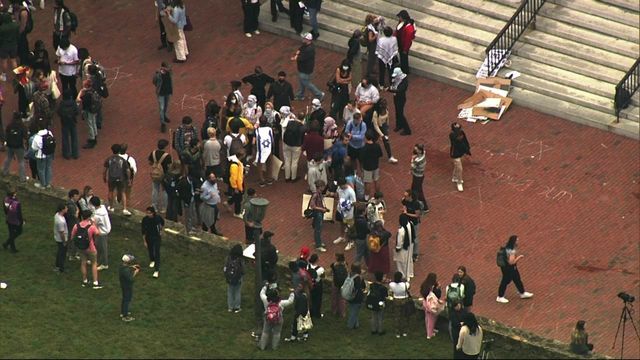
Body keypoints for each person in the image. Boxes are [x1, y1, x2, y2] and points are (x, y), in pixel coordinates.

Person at [496, 235, 533, 303]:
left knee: (517, 279)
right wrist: (519, 257)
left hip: (505, 268)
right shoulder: (512, 251)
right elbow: (511, 262)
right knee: (505, 281)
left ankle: (522, 292)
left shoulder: (506, 248)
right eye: (517, 240)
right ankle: (500, 296)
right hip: (509, 268)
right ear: (514, 242)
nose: (518, 242)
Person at [72, 209, 103, 289]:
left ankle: (84, 280)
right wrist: (94, 225)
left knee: (83, 262)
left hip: (81, 248)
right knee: (94, 263)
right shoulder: (91, 227)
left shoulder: (76, 226)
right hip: (91, 248)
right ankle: (95, 282)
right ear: (89, 217)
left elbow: (72, 236)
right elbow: (98, 233)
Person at [258, 284, 295, 350]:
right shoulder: (280, 303)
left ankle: (262, 346)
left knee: (265, 332)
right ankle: (274, 347)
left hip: (267, 318)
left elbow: (261, 293)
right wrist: (292, 293)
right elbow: (290, 301)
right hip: (278, 319)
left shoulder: (265, 300)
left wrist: (265, 286)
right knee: (277, 333)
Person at [292, 33, 324, 101]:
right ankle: (300, 95)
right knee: (302, 82)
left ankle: (319, 94)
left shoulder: (309, 49)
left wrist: (296, 57)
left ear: (308, 40)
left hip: (305, 70)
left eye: (304, 38)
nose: (303, 39)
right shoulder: (306, 45)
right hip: (302, 68)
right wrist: (298, 52)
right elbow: (301, 48)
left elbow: (301, 58)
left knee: (306, 83)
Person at [149, 139, 173, 213]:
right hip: (164, 175)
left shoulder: (153, 153)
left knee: (155, 190)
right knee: (164, 191)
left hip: (155, 174)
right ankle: (164, 208)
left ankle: (154, 206)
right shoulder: (167, 156)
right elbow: (169, 167)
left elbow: (150, 162)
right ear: (165, 146)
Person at [371, 99, 398, 164]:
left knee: (386, 141)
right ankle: (371, 155)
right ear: (380, 105)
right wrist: (381, 135)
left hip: (383, 126)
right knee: (373, 141)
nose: (385, 106)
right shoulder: (375, 113)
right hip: (376, 127)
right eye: (384, 105)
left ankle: (390, 157)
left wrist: (387, 129)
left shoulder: (386, 110)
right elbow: (375, 125)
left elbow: (387, 119)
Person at [3, 112, 27, 181]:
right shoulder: (22, 126)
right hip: (19, 146)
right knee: (21, 161)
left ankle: (5, 172)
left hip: (9, 145)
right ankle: (22, 178)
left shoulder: (10, 125)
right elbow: (25, 136)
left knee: (8, 158)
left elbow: (6, 134)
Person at [141, 206, 164, 279]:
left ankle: (156, 270)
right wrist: (144, 241)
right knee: (150, 249)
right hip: (149, 237)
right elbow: (143, 231)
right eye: (147, 213)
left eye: (149, 213)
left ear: (153, 213)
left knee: (157, 252)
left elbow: (162, 223)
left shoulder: (157, 218)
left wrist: (161, 231)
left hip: (156, 237)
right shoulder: (145, 219)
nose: (148, 214)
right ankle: (152, 260)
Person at [90, 196, 111, 271]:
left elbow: (93, 224)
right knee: (97, 246)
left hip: (101, 232)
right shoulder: (103, 207)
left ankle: (105, 264)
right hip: (105, 230)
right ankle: (97, 260)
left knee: (102, 248)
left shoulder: (97, 216)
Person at [282, 112, 304, 182]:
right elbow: (302, 137)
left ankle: (287, 177)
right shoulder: (302, 126)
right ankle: (293, 178)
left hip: (287, 144)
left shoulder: (290, 123)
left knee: (287, 160)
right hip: (296, 146)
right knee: (294, 162)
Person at [360, 131, 383, 200]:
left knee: (367, 182)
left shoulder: (364, 148)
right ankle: (378, 194)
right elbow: (380, 155)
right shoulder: (377, 146)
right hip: (375, 166)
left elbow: (361, 159)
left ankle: (366, 197)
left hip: (367, 167)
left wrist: (361, 168)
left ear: (366, 138)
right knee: (376, 180)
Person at [77, 79, 99, 149]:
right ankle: (95, 135)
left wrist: (81, 92)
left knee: (90, 124)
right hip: (94, 109)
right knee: (93, 122)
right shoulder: (93, 91)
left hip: (89, 110)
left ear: (86, 86)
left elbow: (78, 99)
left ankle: (92, 139)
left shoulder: (87, 95)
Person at [31, 121, 54, 188]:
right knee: (48, 167)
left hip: (40, 156)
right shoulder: (49, 133)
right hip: (49, 154)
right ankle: (48, 183)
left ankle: (43, 184)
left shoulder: (37, 137)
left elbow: (34, 148)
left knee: (41, 169)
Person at [388, 67, 410, 135]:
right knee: (397, 112)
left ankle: (407, 130)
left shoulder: (404, 81)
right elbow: (393, 83)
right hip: (396, 97)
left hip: (401, 98)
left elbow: (400, 90)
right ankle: (399, 125)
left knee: (400, 113)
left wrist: (390, 90)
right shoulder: (396, 79)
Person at [57, 89, 79, 159]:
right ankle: (75, 153)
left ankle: (66, 154)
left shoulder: (62, 103)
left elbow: (59, 112)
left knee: (65, 138)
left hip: (64, 122)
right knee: (74, 137)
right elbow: (77, 111)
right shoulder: (73, 103)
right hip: (72, 121)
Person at [421, 272, 444, 340]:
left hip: (426, 302)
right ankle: (429, 334)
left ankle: (431, 329)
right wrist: (438, 288)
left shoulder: (424, 284)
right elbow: (437, 295)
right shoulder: (432, 287)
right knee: (431, 319)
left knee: (427, 317)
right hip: (431, 304)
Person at [449, 122, 471, 192]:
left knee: (457, 166)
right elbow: (458, 142)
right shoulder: (452, 135)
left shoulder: (462, 133)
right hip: (455, 153)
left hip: (461, 151)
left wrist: (467, 148)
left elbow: (465, 140)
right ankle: (459, 182)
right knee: (459, 168)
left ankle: (454, 177)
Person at [199, 171, 222, 236]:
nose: (214, 178)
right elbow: (202, 197)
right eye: (212, 178)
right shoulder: (204, 187)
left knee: (214, 218)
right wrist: (210, 196)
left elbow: (215, 190)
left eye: (214, 177)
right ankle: (204, 232)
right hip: (208, 206)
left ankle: (213, 229)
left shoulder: (214, 183)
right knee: (207, 220)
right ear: (208, 179)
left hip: (214, 205)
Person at [119, 254, 141, 322]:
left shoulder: (122, 267)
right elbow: (131, 279)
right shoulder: (126, 271)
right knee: (127, 300)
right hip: (127, 286)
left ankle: (123, 312)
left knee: (124, 299)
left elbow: (126, 268)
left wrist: (132, 267)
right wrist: (135, 272)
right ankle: (125, 316)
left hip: (123, 285)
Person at [309, 179, 329, 252]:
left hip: (320, 213)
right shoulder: (315, 195)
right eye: (323, 186)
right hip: (318, 214)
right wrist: (321, 209)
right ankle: (318, 245)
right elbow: (313, 206)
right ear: (320, 187)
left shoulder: (319, 193)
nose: (324, 188)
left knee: (319, 229)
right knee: (318, 229)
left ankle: (318, 242)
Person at [402, 189, 421, 262]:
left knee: (415, 238)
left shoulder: (416, 204)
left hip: (414, 222)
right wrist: (404, 209)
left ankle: (415, 254)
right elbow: (403, 205)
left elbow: (417, 215)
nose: (404, 197)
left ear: (410, 196)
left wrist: (407, 214)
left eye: (406, 196)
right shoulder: (404, 200)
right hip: (407, 221)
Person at [389, 271, 410, 338]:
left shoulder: (391, 284)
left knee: (397, 317)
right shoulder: (405, 285)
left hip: (396, 300)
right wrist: (405, 280)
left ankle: (397, 332)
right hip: (404, 300)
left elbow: (391, 290)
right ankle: (404, 332)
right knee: (404, 316)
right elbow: (409, 286)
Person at [224, 244, 245, 313]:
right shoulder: (240, 259)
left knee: (230, 292)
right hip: (238, 278)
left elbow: (225, 267)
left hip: (229, 277)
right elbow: (243, 270)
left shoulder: (228, 258)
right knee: (237, 292)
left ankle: (230, 307)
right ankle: (237, 307)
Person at [394, 213, 415, 280]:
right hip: (410, 245)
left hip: (403, 248)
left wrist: (397, 248)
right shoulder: (410, 223)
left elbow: (399, 242)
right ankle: (410, 273)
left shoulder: (401, 230)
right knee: (409, 260)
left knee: (401, 262)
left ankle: (403, 275)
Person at [330, 59, 352, 124]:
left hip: (345, 90)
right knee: (336, 102)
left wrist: (342, 80)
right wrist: (346, 81)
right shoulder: (338, 70)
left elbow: (350, 78)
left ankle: (341, 115)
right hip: (338, 89)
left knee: (344, 102)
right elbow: (338, 80)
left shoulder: (349, 71)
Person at [153, 62, 172, 133]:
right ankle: (162, 123)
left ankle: (165, 116)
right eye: (166, 67)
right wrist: (158, 87)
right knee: (161, 107)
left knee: (166, 106)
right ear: (162, 67)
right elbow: (154, 81)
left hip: (167, 91)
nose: (168, 69)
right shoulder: (158, 75)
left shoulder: (169, 72)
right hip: (161, 93)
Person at [395, 10, 416, 74]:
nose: (399, 18)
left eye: (400, 17)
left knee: (404, 57)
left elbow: (408, 40)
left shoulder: (408, 26)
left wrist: (405, 49)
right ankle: (403, 68)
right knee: (402, 57)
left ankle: (405, 70)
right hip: (400, 42)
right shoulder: (402, 23)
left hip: (404, 45)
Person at [0, 11, 19, 83]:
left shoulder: (1, 28)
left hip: (4, 46)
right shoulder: (15, 25)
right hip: (13, 45)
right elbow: (18, 34)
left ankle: (4, 75)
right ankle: (17, 75)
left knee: (4, 61)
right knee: (13, 60)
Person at [3, 188, 24, 253]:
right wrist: (22, 221)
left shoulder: (5, 199)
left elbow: (5, 210)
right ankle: (10, 247)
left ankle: (7, 245)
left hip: (9, 219)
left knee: (11, 233)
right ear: (13, 194)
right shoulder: (17, 203)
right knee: (19, 231)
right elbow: (19, 213)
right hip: (15, 220)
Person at [346, 263, 366, 329]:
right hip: (357, 297)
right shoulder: (359, 278)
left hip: (350, 295)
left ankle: (356, 324)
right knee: (354, 312)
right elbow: (363, 286)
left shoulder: (349, 275)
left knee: (353, 310)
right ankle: (350, 325)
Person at [255, 116, 274, 186]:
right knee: (269, 164)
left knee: (260, 165)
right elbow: (272, 139)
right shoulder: (269, 129)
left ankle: (261, 180)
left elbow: (254, 141)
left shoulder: (257, 130)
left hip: (260, 150)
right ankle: (269, 179)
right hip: (268, 149)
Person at [118, 144, 137, 214]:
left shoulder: (115, 158)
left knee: (118, 192)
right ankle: (126, 208)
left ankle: (118, 205)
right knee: (127, 194)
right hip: (127, 179)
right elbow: (134, 170)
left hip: (118, 178)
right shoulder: (130, 159)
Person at [368, 271, 388, 335]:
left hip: (373, 302)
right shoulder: (383, 288)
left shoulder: (371, 285)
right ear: (381, 278)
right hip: (381, 303)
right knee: (380, 317)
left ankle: (373, 330)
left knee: (373, 316)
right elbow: (386, 295)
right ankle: (380, 330)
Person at [410, 144, 428, 211]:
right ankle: (414, 202)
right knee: (414, 189)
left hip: (417, 176)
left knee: (418, 191)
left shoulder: (418, 160)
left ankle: (425, 207)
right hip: (420, 175)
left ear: (420, 151)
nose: (415, 150)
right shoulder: (423, 154)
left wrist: (412, 158)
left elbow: (412, 166)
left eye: (416, 150)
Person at [64, 189, 80, 261]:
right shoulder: (71, 205)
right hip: (72, 224)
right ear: (73, 196)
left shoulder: (70, 203)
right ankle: (71, 254)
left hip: (71, 223)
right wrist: (77, 211)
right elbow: (75, 216)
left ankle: (70, 253)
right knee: (72, 239)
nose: (78, 197)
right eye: (77, 196)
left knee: (71, 238)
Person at [308, 253, 325, 319]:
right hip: (317, 286)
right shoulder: (321, 269)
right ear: (317, 260)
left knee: (311, 299)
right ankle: (317, 314)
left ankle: (311, 313)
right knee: (318, 300)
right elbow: (323, 277)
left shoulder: (307, 266)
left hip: (309, 285)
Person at [53, 203, 68, 273]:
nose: (67, 209)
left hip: (57, 237)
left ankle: (57, 265)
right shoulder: (60, 221)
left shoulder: (57, 215)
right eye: (66, 208)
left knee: (59, 252)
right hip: (61, 239)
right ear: (62, 210)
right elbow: (62, 233)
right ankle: (61, 268)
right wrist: (64, 241)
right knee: (62, 254)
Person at [363, 14, 379, 80]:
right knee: (371, 59)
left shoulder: (370, 27)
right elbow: (370, 39)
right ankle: (368, 73)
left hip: (372, 45)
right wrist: (376, 36)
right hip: (372, 45)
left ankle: (371, 69)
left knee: (373, 58)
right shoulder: (370, 29)